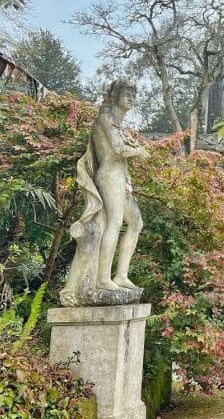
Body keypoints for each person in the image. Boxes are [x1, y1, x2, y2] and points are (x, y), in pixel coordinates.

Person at [61, 79, 149, 305]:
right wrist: (138, 150)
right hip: (109, 175)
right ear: (115, 96)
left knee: (136, 223)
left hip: (120, 177)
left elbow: (122, 155)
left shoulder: (118, 123)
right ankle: (102, 278)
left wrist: (129, 179)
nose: (131, 98)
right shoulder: (106, 119)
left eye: (134, 94)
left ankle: (120, 275)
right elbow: (118, 150)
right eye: (127, 93)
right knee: (114, 223)